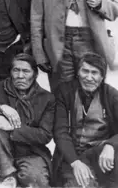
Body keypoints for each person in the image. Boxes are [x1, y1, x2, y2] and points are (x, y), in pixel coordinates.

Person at [0, 53, 54, 187]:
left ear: (35, 74)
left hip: (30, 152)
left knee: (35, 180)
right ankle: (9, 173)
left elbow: (44, 135)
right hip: (0, 150)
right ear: (10, 72)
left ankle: (21, 172)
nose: (20, 76)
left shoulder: (47, 99)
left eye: (26, 71)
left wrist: (12, 127)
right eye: (16, 70)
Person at [53, 53, 118, 188]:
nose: (89, 78)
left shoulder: (111, 95)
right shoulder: (65, 92)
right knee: (80, 185)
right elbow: (60, 132)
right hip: (72, 156)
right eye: (85, 71)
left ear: (102, 77)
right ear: (78, 72)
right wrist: (75, 162)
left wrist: (111, 145)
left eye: (94, 73)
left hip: (100, 154)